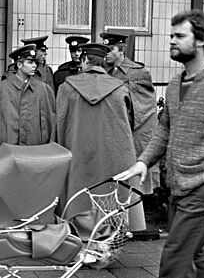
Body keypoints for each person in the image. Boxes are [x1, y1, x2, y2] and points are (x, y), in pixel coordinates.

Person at [113, 10, 204, 278]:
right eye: (171, 35)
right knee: (194, 255)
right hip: (180, 188)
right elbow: (165, 128)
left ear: (201, 40)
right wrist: (143, 162)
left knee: (174, 262)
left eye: (180, 36)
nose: (171, 41)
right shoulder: (177, 82)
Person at [55, 42, 145, 234]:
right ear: (104, 62)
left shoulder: (66, 88)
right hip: (113, 156)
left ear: (85, 60)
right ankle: (109, 239)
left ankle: (80, 239)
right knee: (111, 196)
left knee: (78, 196)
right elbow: (130, 122)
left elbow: (60, 124)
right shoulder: (120, 88)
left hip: (78, 154)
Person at [101, 31, 159, 195]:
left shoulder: (137, 72)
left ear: (121, 50)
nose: (106, 54)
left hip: (132, 133)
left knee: (133, 182)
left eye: (110, 50)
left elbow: (144, 109)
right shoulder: (106, 71)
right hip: (112, 133)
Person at [0, 44, 55, 150]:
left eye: (35, 63)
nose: (34, 66)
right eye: (30, 62)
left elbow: (50, 123)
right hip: (9, 149)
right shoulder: (1, 88)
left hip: (35, 149)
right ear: (19, 65)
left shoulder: (43, 89)